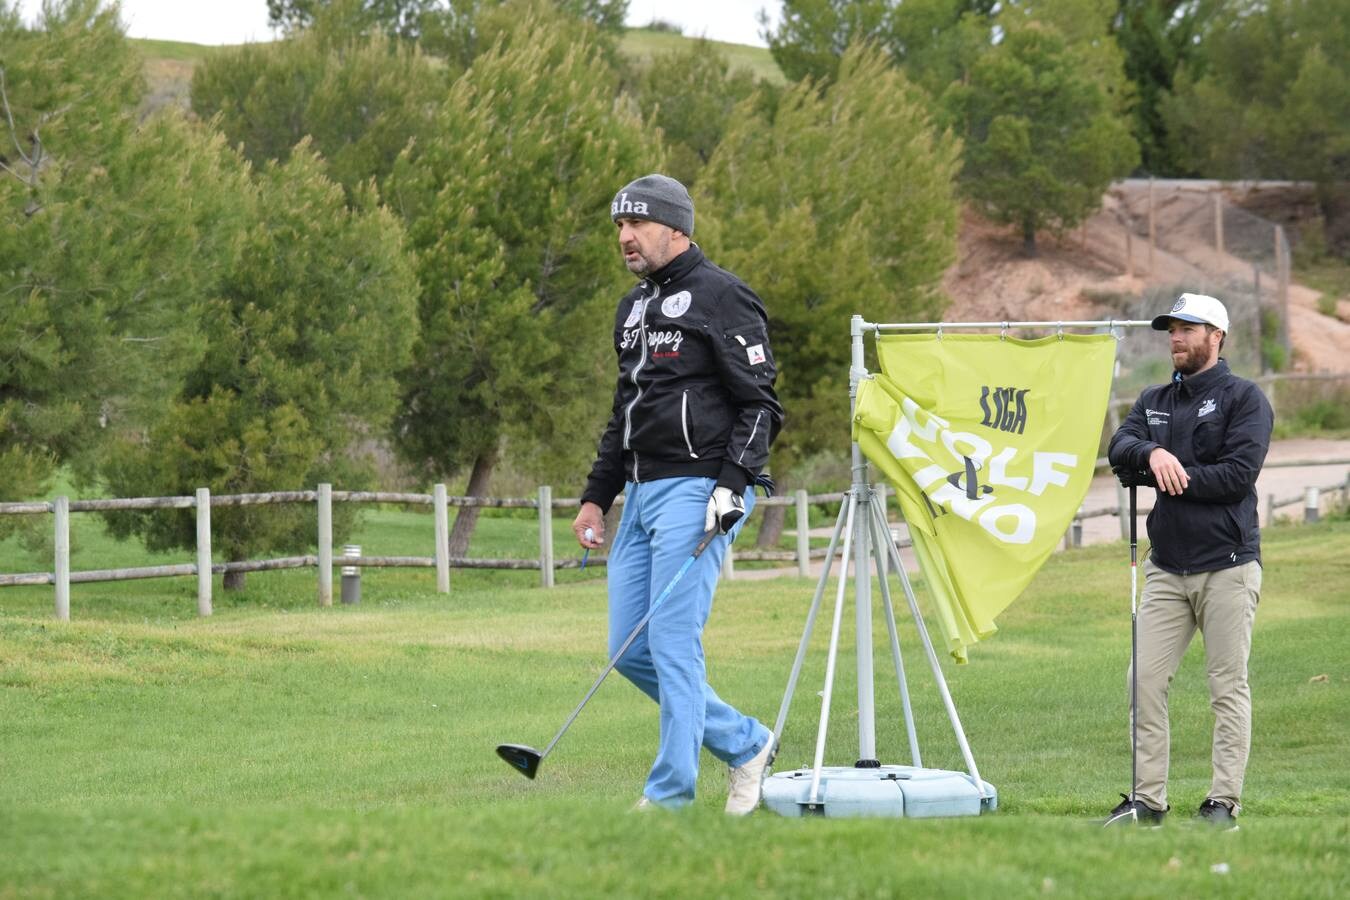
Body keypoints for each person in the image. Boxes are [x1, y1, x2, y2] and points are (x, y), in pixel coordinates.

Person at [571, 174, 784, 813]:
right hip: (638, 495)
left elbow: (761, 406)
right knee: (629, 651)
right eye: (618, 226)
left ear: (676, 227)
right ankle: (746, 743)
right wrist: (594, 496)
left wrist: (732, 486)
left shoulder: (723, 297)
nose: (625, 237)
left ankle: (668, 800)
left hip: (698, 492)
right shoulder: (631, 309)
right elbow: (624, 413)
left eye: (637, 224)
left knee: (670, 641)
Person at [1105, 292, 1273, 831]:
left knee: (1227, 687)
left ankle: (1223, 802)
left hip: (1227, 564)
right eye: (1172, 329)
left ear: (1216, 335)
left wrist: (1172, 475)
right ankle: (1146, 801)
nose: (1175, 338)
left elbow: (1235, 477)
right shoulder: (1154, 399)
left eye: (1187, 329)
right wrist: (1153, 454)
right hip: (1166, 566)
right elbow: (1121, 445)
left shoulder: (1245, 398)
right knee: (1144, 680)